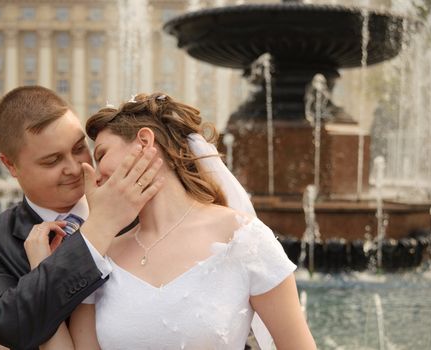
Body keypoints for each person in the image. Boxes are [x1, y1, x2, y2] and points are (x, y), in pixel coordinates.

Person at [25, 92, 316, 349]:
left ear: (144, 141)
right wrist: (42, 271)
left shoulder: (243, 238)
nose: (96, 175)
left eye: (101, 155)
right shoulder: (100, 255)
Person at [0, 86, 164, 350]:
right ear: (10, 165)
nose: (74, 168)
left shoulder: (141, 207)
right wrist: (98, 230)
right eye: (52, 161)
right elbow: (11, 327)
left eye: (79, 148)